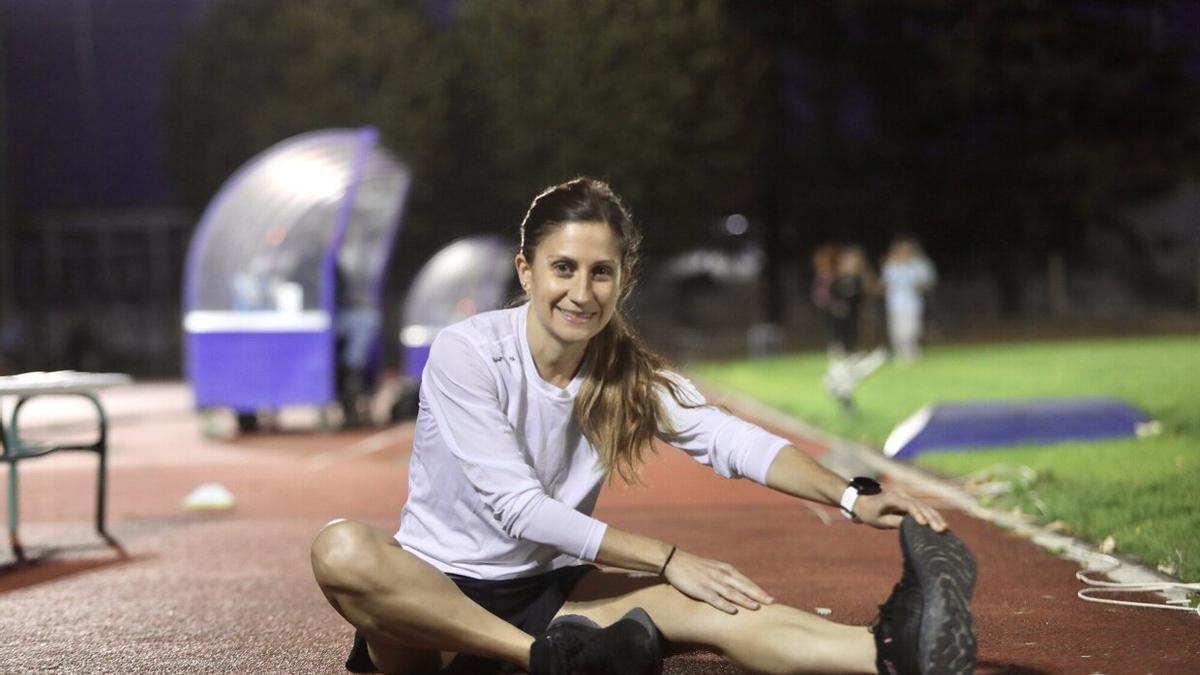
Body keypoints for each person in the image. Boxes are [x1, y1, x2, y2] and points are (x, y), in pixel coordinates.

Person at [310, 178, 976, 675]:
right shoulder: (467, 351)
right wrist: (667, 557)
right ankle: (545, 660)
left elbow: (729, 438)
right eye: (563, 267)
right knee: (340, 548)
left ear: (623, 280)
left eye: (602, 272)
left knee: (718, 601)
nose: (582, 290)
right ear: (526, 271)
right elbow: (516, 507)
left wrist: (851, 495)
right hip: (430, 603)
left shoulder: (626, 371)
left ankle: (892, 647)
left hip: (545, 590)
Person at [880, 237, 937, 364]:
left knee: (913, 328)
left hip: (913, 303)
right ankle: (900, 352)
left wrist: (918, 287)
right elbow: (884, 285)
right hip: (895, 303)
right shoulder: (890, 266)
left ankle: (912, 350)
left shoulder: (916, 266)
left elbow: (925, 284)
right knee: (897, 328)